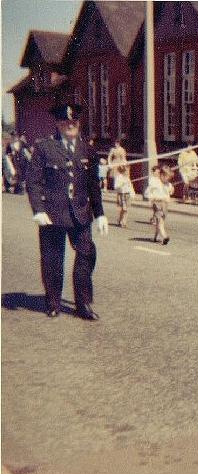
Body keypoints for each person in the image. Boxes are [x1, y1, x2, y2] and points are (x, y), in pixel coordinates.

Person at [26, 102, 109, 320]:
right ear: (58, 124)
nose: (70, 126)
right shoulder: (45, 148)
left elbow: (93, 185)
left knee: (86, 254)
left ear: (78, 123)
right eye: (66, 122)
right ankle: (53, 302)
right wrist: (38, 209)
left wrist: (100, 214)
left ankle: (83, 304)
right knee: (53, 259)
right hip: (52, 213)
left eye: (74, 122)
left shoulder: (87, 150)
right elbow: (33, 181)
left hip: (80, 212)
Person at [144, 165, 174, 245]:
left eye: (169, 178)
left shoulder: (167, 184)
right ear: (161, 175)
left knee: (161, 221)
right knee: (160, 221)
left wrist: (171, 189)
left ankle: (156, 237)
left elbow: (170, 191)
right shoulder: (155, 182)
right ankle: (165, 237)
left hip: (165, 205)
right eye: (167, 177)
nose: (168, 180)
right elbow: (149, 191)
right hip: (157, 204)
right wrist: (151, 199)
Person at [113, 160, 134, 228]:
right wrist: (121, 184)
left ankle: (122, 220)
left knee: (126, 209)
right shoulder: (119, 177)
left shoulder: (127, 178)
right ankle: (122, 221)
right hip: (122, 194)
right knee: (124, 209)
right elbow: (116, 186)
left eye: (129, 171)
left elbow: (130, 186)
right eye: (127, 171)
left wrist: (132, 193)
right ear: (123, 171)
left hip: (127, 195)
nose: (128, 172)